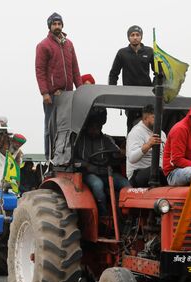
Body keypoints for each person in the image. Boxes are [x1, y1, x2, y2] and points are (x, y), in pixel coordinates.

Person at [35, 12, 82, 158]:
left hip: (68, 95)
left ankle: (64, 154)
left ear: (62, 25)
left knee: (67, 126)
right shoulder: (43, 45)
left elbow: (75, 68)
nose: (57, 26)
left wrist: (80, 89)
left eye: (59, 24)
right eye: (54, 24)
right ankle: (50, 157)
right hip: (53, 95)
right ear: (49, 26)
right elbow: (40, 70)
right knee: (51, 127)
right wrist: (45, 93)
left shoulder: (69, 44)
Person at [75, 111, 129, 215]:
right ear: (87, 127)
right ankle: (103, 214)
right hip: (89, 173)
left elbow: (116, 153)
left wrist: (123, 152)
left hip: (106, 172)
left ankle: (126, 214)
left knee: (126, 184)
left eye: (97, 127)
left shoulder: (106, 139)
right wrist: (86, 165)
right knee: (97, 185)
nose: (95, 130)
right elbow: (73, 160)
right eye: (93, 127)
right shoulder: (80, 140)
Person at [108, 25, 154, 132]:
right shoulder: (122, 53)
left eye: (137, 35)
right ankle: (131, 145)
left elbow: (158, 72)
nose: (135, 37)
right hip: (129, 96)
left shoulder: (149, 51)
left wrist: (155, 88)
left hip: (146, 94)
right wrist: (112, 91)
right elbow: (114, 74)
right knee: (131, 124)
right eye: (132, 35)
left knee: (149, 124)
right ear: (128, 37)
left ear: (141, 37)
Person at [126, 104, 167, 187]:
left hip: (158, 170)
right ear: (145, 118)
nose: (159, 120)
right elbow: (132, 158)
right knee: (159, 172)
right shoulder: (136, 132)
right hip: (137, 173)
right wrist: (148, 144)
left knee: (175, 173)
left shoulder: (162, 134)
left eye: (160, 118)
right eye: (155, 117)